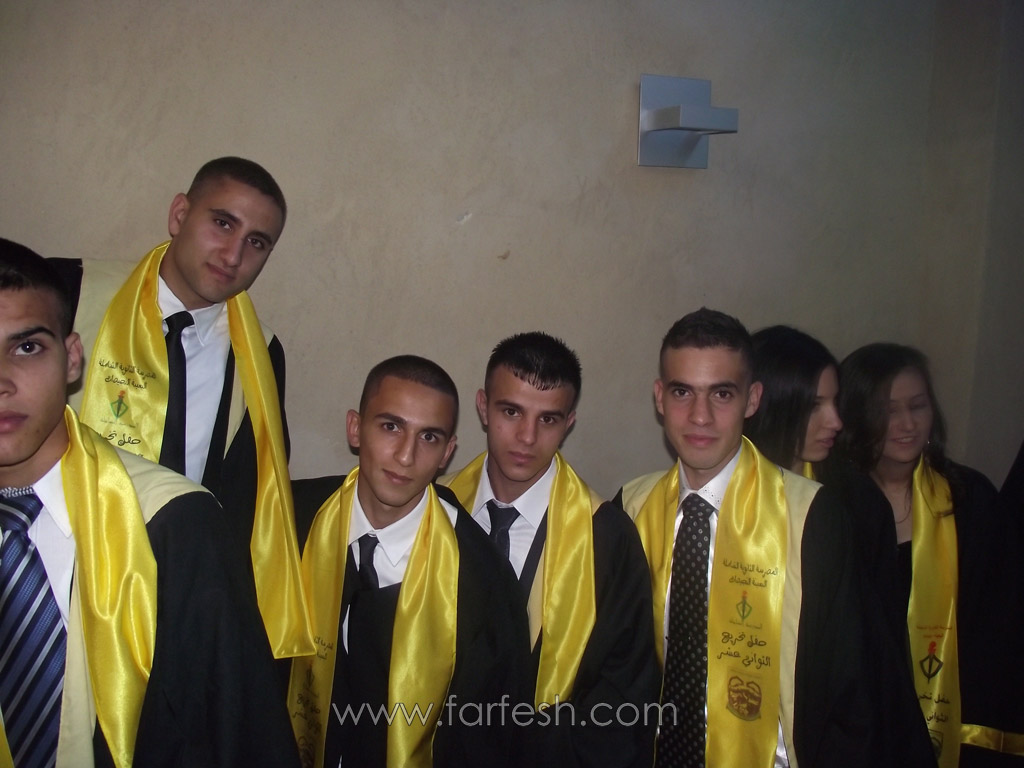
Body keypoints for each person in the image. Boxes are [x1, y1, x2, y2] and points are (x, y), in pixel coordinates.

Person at [0, 239, 298, 767]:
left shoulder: (176, 527)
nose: (1, 382)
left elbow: (238, 735)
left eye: (27, 348)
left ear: (72, 358)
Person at [613, 308, 934, 768]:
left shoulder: (812, 518)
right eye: (683, 392)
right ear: (660, 397)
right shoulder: (631, 508)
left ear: (753, 399)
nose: (700, 416)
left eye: (722, 394)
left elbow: (853, 691)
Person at [55, 157, 310, 660]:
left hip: (173, 604)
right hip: (56, 576)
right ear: (179, 215)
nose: (234, 254)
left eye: (257, 242)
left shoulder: (262, 353)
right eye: (223, 223)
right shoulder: (70, 290)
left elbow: (244, 496)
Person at [287, 355, 529, 768]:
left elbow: (490, 737)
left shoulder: (483, 582)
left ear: (447, 453)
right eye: (391, 427)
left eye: (429, 437)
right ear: (355, 428)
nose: (405, 455)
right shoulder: (288, 524)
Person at [440, 331, 660, 767]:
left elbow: (623, 696)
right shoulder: (437, 511)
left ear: (569, 422)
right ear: (483, 406)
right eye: (511, 411)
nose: (527, 437)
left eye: (548, 419)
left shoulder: (607, 539)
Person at [837, 343, 1023, 768]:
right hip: (863, 722)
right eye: (888, 411)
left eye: (918, 406)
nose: (907, 424)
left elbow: (999, 628)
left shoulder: (970, 500)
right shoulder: (837, 506)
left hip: (957, 716)